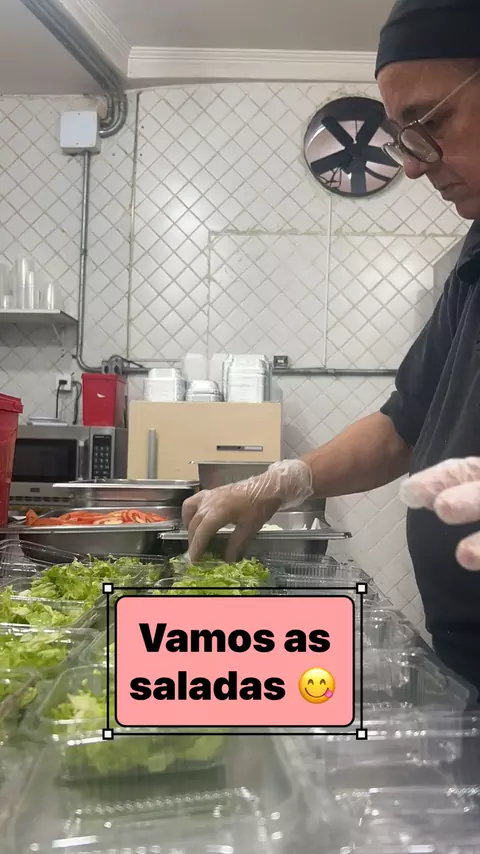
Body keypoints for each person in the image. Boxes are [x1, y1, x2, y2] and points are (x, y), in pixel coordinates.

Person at [183, 0, 480, 698]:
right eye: (405, 139)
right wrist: (282, 482)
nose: (415, 167)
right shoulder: (475, 257)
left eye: (431, 123)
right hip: (463, 654)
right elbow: (402, 425)